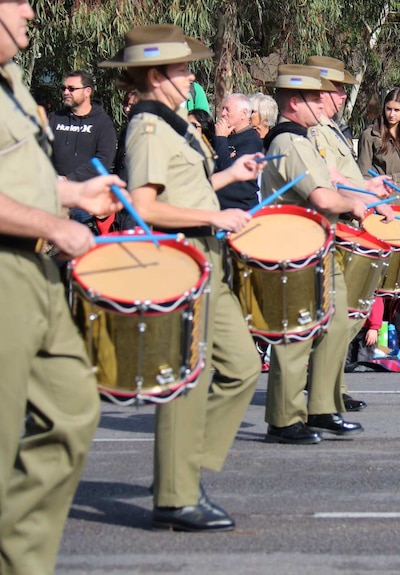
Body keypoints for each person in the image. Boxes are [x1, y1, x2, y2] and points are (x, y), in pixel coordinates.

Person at [100, 23, 264, 531]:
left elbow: (187, 190)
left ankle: (181, 471)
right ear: (155, 75)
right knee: (188, 380)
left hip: (205, 258)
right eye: (180, 68)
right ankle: (175, 494)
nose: (189, 75)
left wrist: (229, 178)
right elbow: (146, 206)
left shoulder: (174, 123)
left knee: (240, 367)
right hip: (181, 257)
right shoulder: (147, 128)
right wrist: (215, 217)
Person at [0, 1, 124, 571]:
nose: (29, 9)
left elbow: (22, 173)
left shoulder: (15, 85)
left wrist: (74, 197)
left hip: (36, 270)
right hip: (8, 270)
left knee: (74, 408)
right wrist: (56, 224)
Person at [260, 64, 383, 445]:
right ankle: (284, 418)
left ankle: (322, 407)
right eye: (314, 97)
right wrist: (357, 204)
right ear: (294, 101)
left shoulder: (305, 139)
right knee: (296, 333)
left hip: (318, 245)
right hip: (295, 248)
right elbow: (321, 196)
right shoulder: (289, 142)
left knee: (334, 324)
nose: (322, 103)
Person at [49, 69, 118, 229]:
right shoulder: (54, 118)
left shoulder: (103, 123)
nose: (66, 92)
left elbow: (104, 160)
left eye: (72, 89)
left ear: (87, 91)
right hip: (54, 195)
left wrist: (68, 179)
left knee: (81, 249)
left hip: (85, 200)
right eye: (64, 88)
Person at [359, 88, 400, 208]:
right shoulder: (370, 135)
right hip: (379, 195)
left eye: (397, 110)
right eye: (388, 109)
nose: (392, 114)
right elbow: (363, 172)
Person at [212, 93, 263, 210]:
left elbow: (229, 171)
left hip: (240, 210)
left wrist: (221, 139)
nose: (223, 113)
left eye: (227, 109)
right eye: (223, 109)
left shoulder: (251, 142)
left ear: (243, 114)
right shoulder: (225, 135)